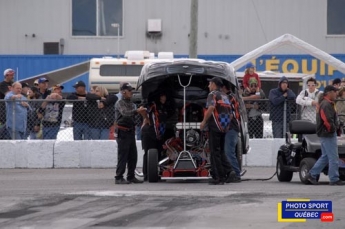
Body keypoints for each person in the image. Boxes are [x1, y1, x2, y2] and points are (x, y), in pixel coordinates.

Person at [307, 86, 345, 186]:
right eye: (335, 92)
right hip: (327, 134)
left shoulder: (325, 103)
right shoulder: (326, 104)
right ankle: (334, 179)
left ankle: (312, 175)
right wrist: (333, 129)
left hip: (325, 133)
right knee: (333, 157)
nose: (336, 94)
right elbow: (327, 120)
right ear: (329, 93)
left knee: (326, 156)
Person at [200, 77, 233, 185]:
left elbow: (211, 108)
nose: (209, 85)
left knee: (214, 152)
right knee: (221, 151)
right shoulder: (224, 95)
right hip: (224, 127)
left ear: (214, 84)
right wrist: (226, 125)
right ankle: (228, 172)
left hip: (215, 126)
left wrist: (204, 122)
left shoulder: (212, 94)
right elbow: (231, 114)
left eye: (209, 83)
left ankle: (219, 177)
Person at [114, 82, 147, 184]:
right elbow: (125, 113)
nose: (131, 92)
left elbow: (134, 115)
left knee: (133, 155)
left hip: (130, 131)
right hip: (122, 132)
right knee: (123, 155)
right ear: (123, 92)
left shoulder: (132, 104)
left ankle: (131, 176)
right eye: (129, 91)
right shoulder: (120, 103)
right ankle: (119, 177)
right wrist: (137, 111)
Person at [141, 91, 175, 181]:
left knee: (159, 153)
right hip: (149, 132)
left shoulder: (164, 107)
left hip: (159, 134)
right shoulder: (152, 105)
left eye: (164, 96)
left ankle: (157, 173)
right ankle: (146, 175)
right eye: (162, 96)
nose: (164, 98)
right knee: (148, 153)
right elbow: (142, 110)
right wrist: (146, 118)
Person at [222, 83, 242, 182]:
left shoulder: (228, 98)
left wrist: (224, 126)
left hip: (231, 127)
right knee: (229, 151)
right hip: (233, 127)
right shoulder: (232, 97)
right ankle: (233, 173)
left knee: (229, 152)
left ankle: (236, 174)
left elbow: (229, 114)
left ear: (224, 88)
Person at [0, 68, 15, 140]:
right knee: (5, 126)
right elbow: (8, 95)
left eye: (13, 74)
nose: (13, 76)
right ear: (6, 75)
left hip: (12, 109)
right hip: (4, 109)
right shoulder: (2, 84)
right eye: (11, 75)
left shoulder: (13, 84)